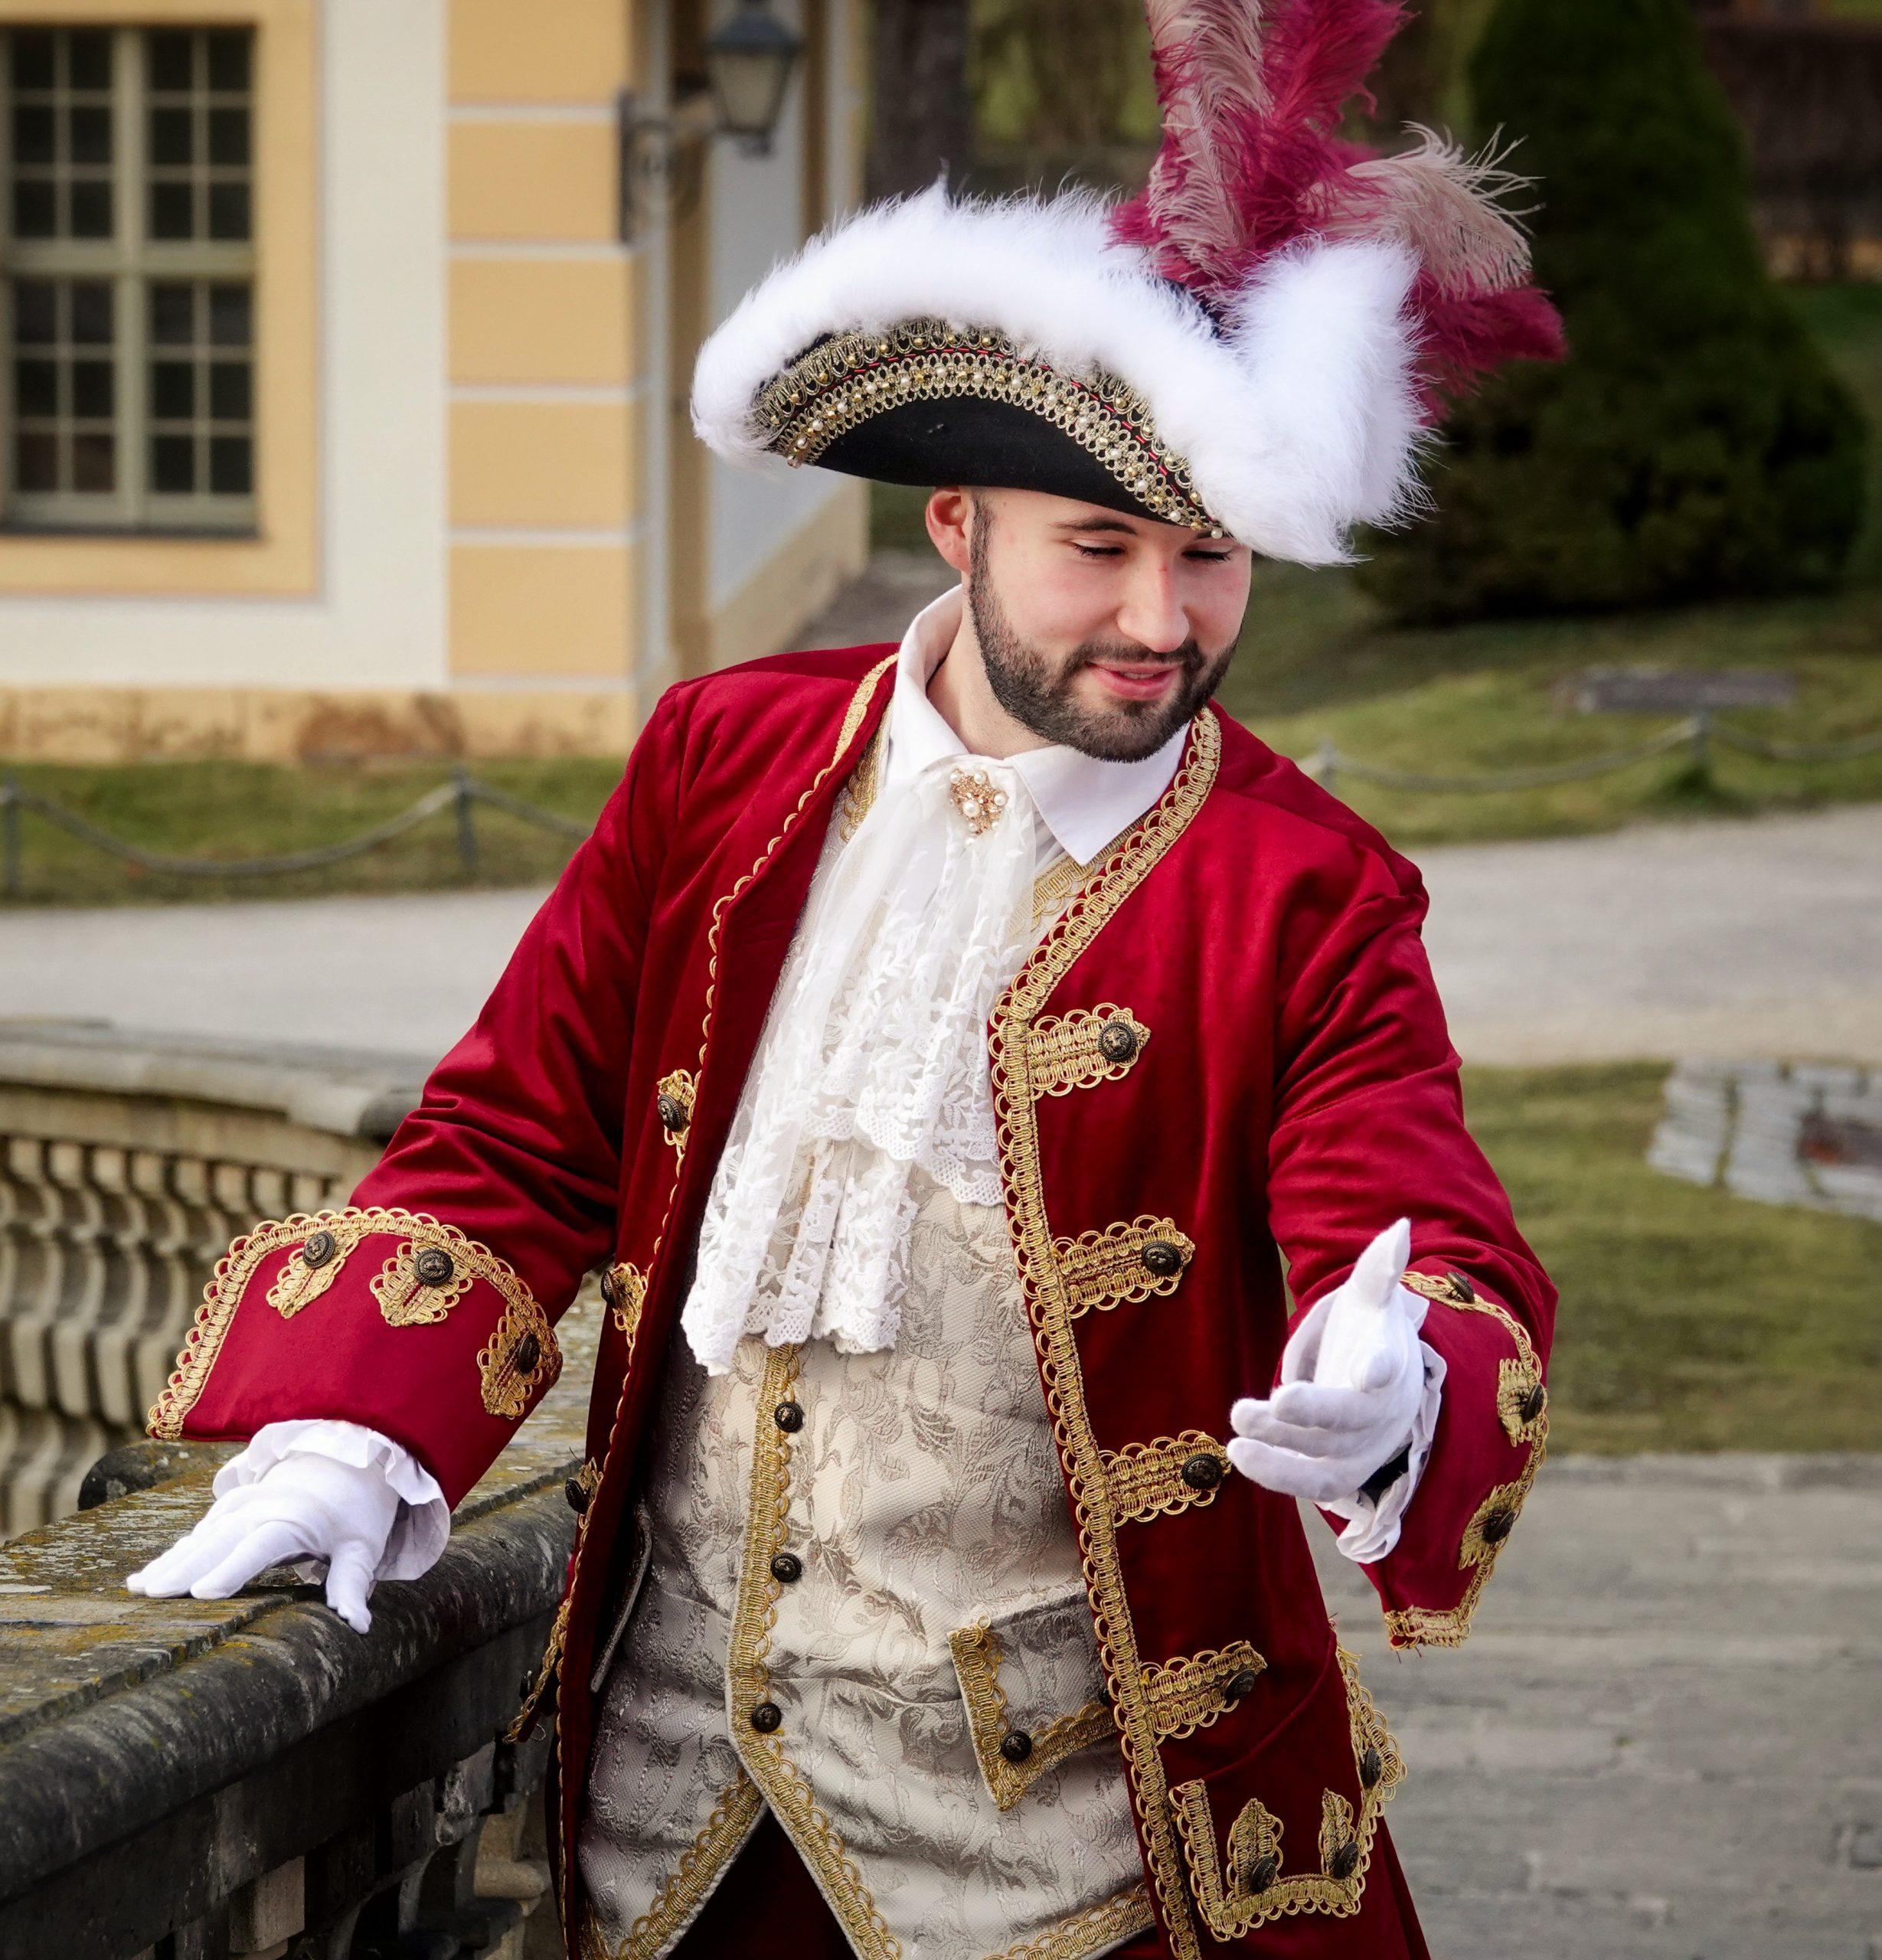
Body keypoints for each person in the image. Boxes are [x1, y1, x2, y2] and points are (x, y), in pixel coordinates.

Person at [127, 2, 1563, 1955]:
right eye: (1098, 549)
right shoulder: (723, 755)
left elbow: (1425, 1239)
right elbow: (515, 1129)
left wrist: (1396, 1385)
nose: (1162, 622)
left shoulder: (1304, 891)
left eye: (1211, 560)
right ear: (950, 521)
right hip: (669, 1823)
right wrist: (357, 1424)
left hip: (1077, 1869)